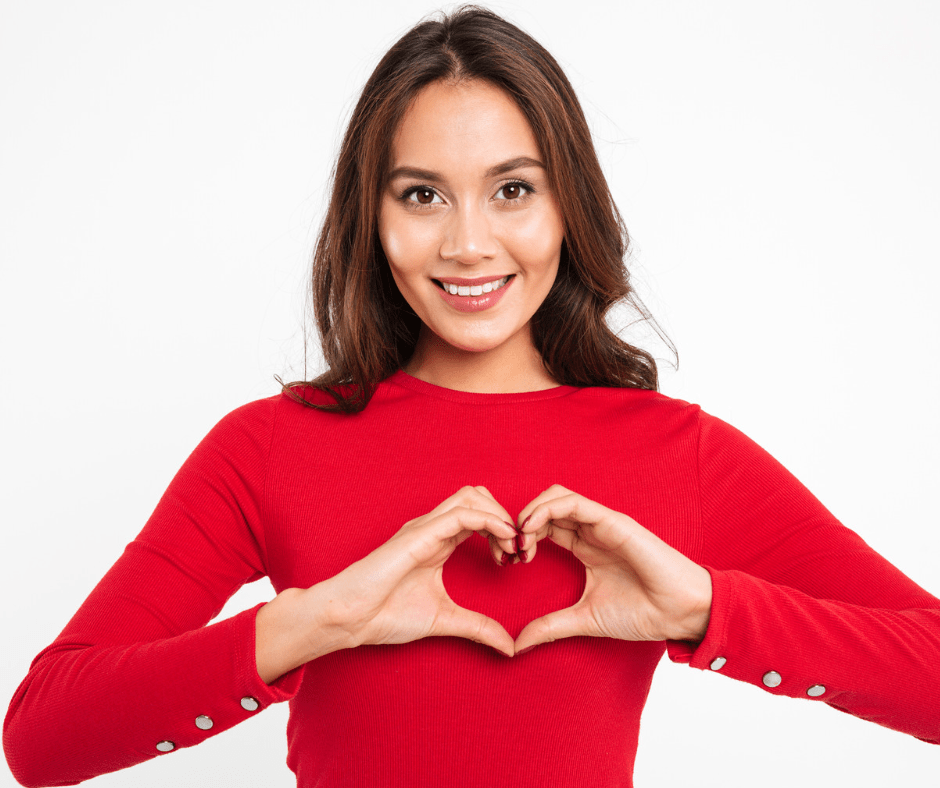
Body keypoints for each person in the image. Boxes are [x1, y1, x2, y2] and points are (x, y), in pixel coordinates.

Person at [4, 5, 940, 787]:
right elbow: (43, 736)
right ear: (369, 218)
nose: (468, 245)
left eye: (511, 190)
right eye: (421, 196)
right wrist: (321, 620)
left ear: (566, 204)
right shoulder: (269, 449)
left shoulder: (673, 453)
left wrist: (706, 610)